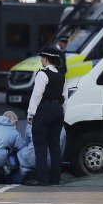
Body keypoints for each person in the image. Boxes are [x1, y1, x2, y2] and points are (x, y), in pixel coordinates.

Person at [24, 47, 67, 186]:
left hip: (44, 110)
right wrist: (62, 112)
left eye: (42, 58)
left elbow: (37, 95)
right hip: (58, 110)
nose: (41, 60)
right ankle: (56, 178)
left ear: (46, 59)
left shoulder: (43, 74)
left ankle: (41, 178)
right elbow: (65, 97)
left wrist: (31, 113)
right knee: (55, 145)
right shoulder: (62, 76)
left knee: (40, 145)